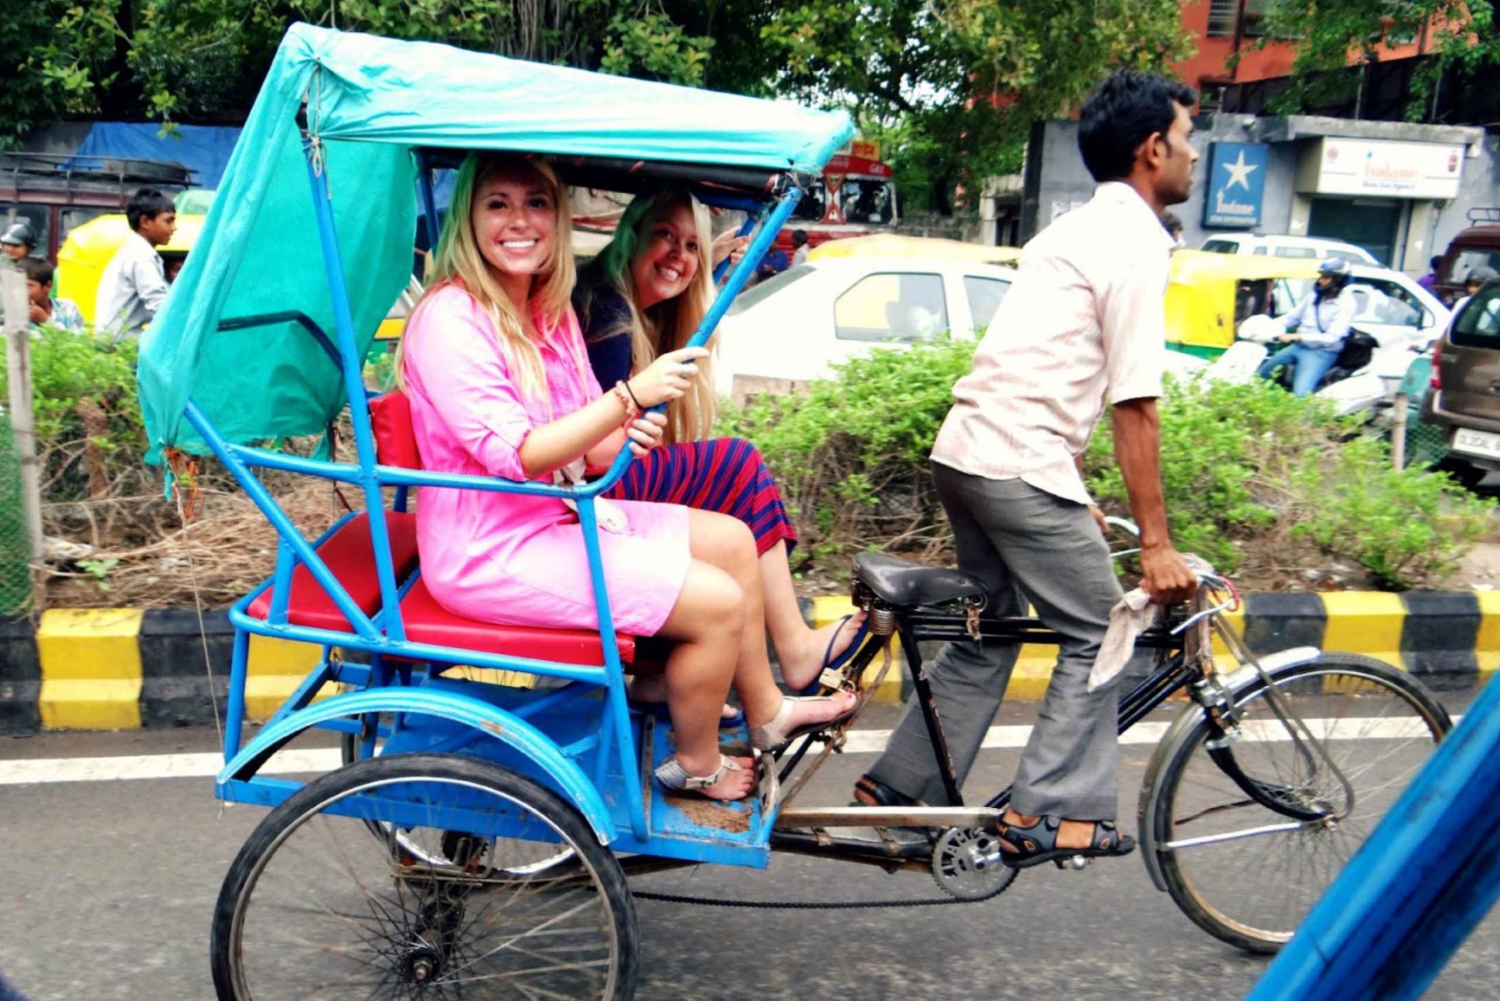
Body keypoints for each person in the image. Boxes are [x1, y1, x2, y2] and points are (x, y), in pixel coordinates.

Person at [396, 153, 855, 801]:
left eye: (537, 204)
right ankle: (696, 765)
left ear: (558, 218)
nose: (520, 220)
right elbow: (519, 453)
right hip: (492, 550)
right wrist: (629, 399)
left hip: (559, 514)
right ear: (469, 217)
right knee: (718, 602)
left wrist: (622, 430)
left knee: (729, 540)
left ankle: (766, 710)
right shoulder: (451, 318)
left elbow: (584, 433)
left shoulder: (541, 310)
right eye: (499, 204)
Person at [853, 70, 1200, 869]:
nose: (1190, 158)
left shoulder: (1071, 230)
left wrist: (1075, 495)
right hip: (1016, 461)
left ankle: (900, 785)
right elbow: (1134, 407)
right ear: (1152, 150)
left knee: (992, 624)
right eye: (1185, 142)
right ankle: (1051, 811)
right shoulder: (1136, 243)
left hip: (968, 453)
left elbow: (1049, 372)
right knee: (1103, 627)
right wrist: (1156, 541)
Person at [574, 187, 867, 695]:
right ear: (631, 236)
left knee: (727, 477)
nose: (678, 255)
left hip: (597, 479)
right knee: (736, 463)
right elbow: (598, 449)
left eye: (691, 245)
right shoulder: (608, 315)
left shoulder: (627, 304)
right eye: (664, 235)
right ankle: (793, 650)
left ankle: (663, 672)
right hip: (588, 488)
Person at [1255, 258, 1356, 397]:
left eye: (1326, 277)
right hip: (1298, 347)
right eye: (1321, 276)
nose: (1320, 280)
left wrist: (1297, 336)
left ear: (1338, 280)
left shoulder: (1346, 304)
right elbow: (1292, 317)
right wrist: (1267, 326)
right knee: (1260, 376)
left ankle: (1302, 418)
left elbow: (1332, 337)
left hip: (1321, 353)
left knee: (1300, 394)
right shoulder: (1315, 296)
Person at [96, 188, 175, 337]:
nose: (174, 228)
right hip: (120, 348)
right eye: (168, 221)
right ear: (145, 222)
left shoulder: (138, 251)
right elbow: (160, 304)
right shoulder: (140, 256)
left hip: (118, 342)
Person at [19, 257, 84, 332]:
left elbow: (78, 341)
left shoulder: (68, 308)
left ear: (47, 286)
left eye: (28, 286)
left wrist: (46, 321)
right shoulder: (12, 317)